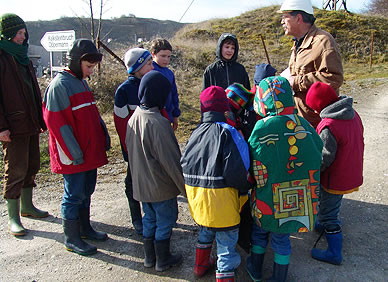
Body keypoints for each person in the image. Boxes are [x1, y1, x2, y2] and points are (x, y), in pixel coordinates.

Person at [246, 76, 323, 281]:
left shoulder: (262, 127)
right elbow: (317, 153)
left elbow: (254, 161)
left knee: (260, 233)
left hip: (267, 197)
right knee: (282, 238)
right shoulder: (304, 125)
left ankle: (255, 269)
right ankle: (279, 277)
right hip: (296, 198)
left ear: (262, 100)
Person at [43, 39, 110, 256]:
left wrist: (103, 136)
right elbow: (57, 124)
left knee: (86, 191)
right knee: (73, 194)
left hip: (89, 152)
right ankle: (71, 238)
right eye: (88, 67)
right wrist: (73, 153)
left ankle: (85, 228)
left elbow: (92, 115)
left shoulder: (80, 81)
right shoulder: (60, 85)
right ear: (75, 61)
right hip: (73, 155)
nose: (90, 72)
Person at [181, 86, 252, 282]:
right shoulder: (229, 132)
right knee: (226, 242)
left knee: (206, 230)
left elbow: (185, 164)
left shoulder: (195, 133)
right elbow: (238, 170)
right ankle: (225, 276)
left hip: (199, 200)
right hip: (223, 199)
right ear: (225, 108)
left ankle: (200, 264)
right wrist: (246, 187)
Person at [125, 70, 186, 272]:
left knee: (149, 220)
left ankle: (149, 258)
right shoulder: (158, 123)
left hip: (142, 186)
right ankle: (163, 259)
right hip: (160, 187)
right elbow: (172, 161)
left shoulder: (134, 118)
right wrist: (187, 190)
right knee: (165, 221)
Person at [0, 13, 49, 237]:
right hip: (13, 125)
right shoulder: (1, 58)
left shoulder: (23, 58)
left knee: (32, 164)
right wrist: (1, 127)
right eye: (19, 33)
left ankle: (27, 207)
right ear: (8, 34)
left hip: (29, 122)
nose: (23, 37)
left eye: (24, 32)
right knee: (15, 169)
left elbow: (32, 91)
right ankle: (13, 218)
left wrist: (39, 120)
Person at [306, 81, 364, 265]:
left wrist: (312, 172)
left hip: (335, 178)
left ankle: (334, 252)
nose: (315, 112)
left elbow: (325, 158)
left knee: (330, 212)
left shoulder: (329, 125)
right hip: (350, 171)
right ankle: (323, 222)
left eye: (314, 108)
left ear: (320, 106)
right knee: (331, 203)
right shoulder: (352, 114)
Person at [278, 0, 344, 128]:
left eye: (285, 17)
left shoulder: (323, 41)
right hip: (302, 121)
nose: (282, 22)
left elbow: (334, 77)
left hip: (319, 123)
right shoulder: (298, 43)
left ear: (298, 18)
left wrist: (296, 81)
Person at [113, 47, 154, 235]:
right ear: (137, 67)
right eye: (148, 63)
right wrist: (129, 148)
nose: (152, 66)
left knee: (151, 181)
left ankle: (152, 216)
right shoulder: (124, 91)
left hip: (151, 146)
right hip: (134, 148)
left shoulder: (151, 84)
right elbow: (121, 124)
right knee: (132, 183)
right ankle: (137, 218)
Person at [150, 38, 181, 130]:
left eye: (168, 57)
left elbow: (174, 94)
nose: (166, 60)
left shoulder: (169, 73)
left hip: (168, 115)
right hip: (153, 116)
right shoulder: (149, 70)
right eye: (163, 56)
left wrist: (175, 115)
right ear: (153, 54)